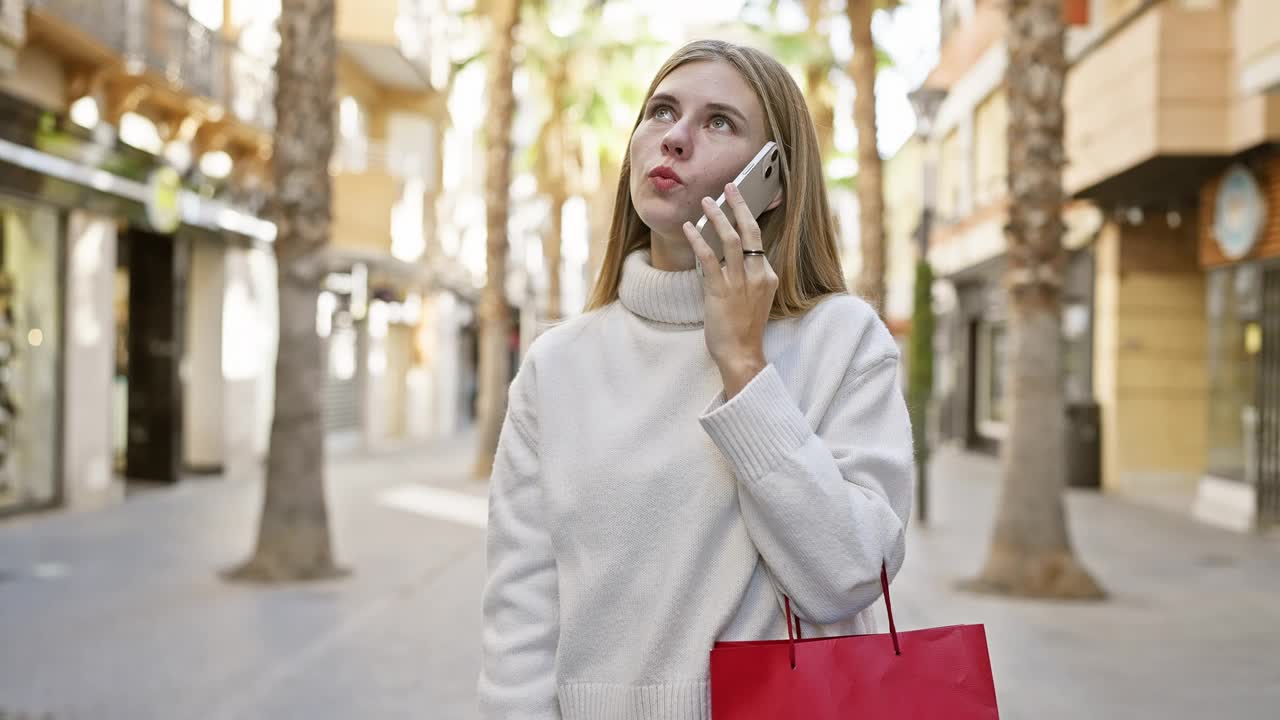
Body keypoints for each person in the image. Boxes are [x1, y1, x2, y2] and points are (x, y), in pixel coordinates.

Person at [477, 39, 914, 720]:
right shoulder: (557, 365)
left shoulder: (843, 340)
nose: (674, 139)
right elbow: (521, 621)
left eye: (719, 122)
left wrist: (743, 365)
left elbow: (851, 574)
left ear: (774, 179)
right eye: (660, 112)